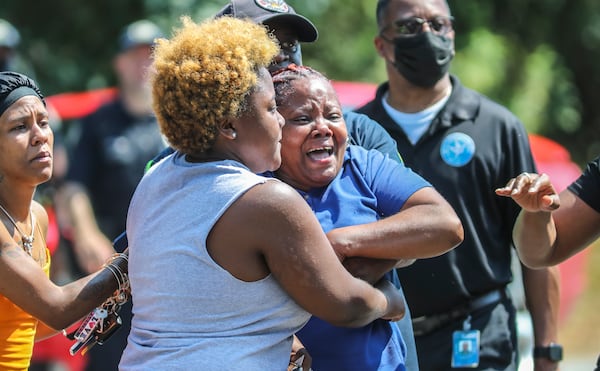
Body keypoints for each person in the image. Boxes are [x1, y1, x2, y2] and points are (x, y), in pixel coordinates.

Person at [119, 16, 406, 370]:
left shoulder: (157, 178)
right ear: (228, 126)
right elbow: (345, 306)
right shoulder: (264, 200)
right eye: (271, 108)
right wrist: (389, 300)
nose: (282, 121)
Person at [357, 0, 562, 369]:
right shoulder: (356, 133)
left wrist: (547, 351)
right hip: (386, 337)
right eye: (409, 26)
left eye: (439, 25)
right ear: (381, 44)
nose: (427, 35)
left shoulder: (496, 127)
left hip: (478, 335)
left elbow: (536, 247)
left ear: (452, 35)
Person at [270, 64, 463, 370]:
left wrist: (343, 243)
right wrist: (384, 296)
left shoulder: (361, 165)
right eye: (302, 119)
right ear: (273, 129)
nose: (323, 127)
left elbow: (444, 224)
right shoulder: (254, 185)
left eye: (333, 115)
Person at [0, 71, 129, 371]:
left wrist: (104, 297)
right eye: (20, 126)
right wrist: (129, 263)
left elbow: (35, 321)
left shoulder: (38, 216)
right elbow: (55, 308)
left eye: (43, 123)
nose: (39, 135)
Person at [59, 19, 166, 371]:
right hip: (113, 273)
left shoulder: (178, 121)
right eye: (135, 55)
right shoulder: (97, 122)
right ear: (118, 63)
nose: (143, 63)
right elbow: (75, 185)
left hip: (168, 268)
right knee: (108, 360)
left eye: (151, 55)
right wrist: (86, 234)